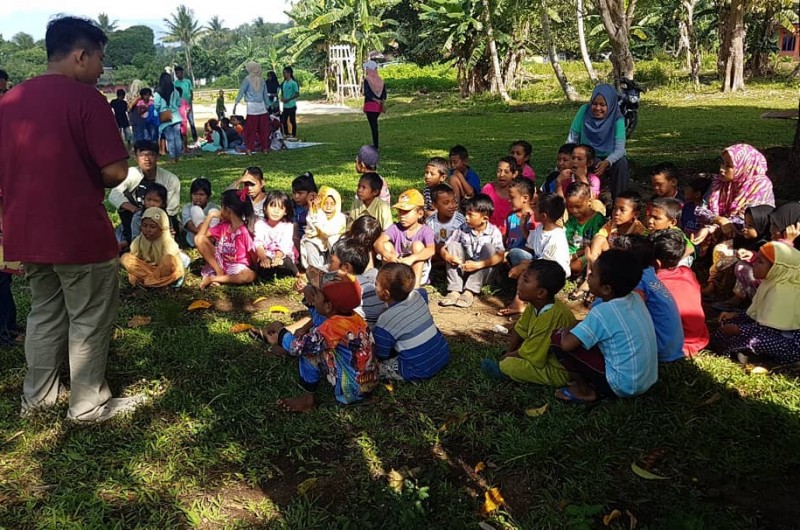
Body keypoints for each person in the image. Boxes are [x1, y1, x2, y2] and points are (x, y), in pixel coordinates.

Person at [0, 16, 142, 422]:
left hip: (26, 233)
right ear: (80, 55)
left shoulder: (7, 103)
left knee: (43, 313)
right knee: (88, 319)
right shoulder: (86, 100)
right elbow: (115, 171)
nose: (100, 70)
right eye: (99, 59)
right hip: (78, 232)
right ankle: (87, 404)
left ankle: (37, 399)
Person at [550, 249, 658, 403]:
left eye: (592, 274)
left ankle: (584, 391)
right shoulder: (635, 298)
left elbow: (566, 345)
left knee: (557, 338)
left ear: (606, 289)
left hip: (622, 386)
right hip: (647, 380)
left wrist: (569, 326)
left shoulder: (602, 312)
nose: (588, 276)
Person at [273, 271, 378, 411]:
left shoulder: (332, 327)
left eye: (316, 293)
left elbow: (296, 347)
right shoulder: (352, 316)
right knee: (315, 335)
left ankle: (307, 400)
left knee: (308, 351)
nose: (313, 294)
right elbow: (320, 316)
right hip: (370, 379)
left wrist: (280, 332)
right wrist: (308, 293)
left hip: (353, 390)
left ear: (328, 306)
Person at [481, 260, 575, 386]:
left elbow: (532, 354)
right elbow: (520, 329)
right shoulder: (534, 305)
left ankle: (503, 371)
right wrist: (509, 352)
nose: (519, 282)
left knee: (508, 365)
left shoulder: (554, 316)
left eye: (525, 280)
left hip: (559, 369)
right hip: (541, 355)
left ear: (541, 293)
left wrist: (508, 358)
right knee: (510, 358)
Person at [713, 242, 800, 365]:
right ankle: (748, 353)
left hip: (789, 341)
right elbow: (759, 313)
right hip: (768, 331)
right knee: (727, 325)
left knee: (757, 340)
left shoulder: (784, 292)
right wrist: (736, 315)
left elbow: (770, 328)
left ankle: (754, 356)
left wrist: (739, 330)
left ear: (777, 268)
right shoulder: (771, 282)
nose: (754, 264)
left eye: (760, 262)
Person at [611, 235, 684, 363]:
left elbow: (629, 313)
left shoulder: (637, 282)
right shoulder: (648, 274)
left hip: (659, 350)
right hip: (671, 346)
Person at [373, 263, 450, 381]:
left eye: (376, 284)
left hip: (418, 370)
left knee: (375, 367)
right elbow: (422, 291)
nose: (374, 287)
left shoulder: (385, 321)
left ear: (386, 294)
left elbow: (382, 353)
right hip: (443, 354)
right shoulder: (420, 295)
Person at [692, 144, 775, 246]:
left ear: (745, 167)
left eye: (729, 166)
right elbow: (701, 209)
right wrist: (719, 220)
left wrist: (713, 227)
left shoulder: (760, 185)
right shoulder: (719, 183)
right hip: (719, 237)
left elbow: (746, 220)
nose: (722, 169)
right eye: (722, 163)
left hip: (750, 243)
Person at [502, 193, 570, 315]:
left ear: (544, 216)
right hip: (540, 263)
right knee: (516, 254)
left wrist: (524, 265)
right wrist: (523, 225)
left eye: (536, 209)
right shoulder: (540, 229)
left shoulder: (556, 236)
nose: (533, 211)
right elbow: (531, 245)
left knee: (525, 265)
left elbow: (548, 264)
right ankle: (526, 286)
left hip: (555, 270)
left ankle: (519, 302)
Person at [650, 229, 709, 357]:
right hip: (699, 338)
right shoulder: (688, 273)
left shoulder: (655, 284)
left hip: (678, 344)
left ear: (656, 262)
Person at [108, 140, 181, 242]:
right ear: (136, 158)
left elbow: (172, 210)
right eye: (142, 155)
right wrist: (134, 209)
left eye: (151, 154)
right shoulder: (130, 173)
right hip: (136, 216)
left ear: (157, 157)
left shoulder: (171, 179)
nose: (147, 159)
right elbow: (114, 195)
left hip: (161, 218)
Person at [440, 194, 505, 308]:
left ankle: (470, 291)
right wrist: (448, 256)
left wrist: (478, 265)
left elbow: (500, 256)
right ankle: (454, 290)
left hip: (483, 273)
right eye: (466, 213)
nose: (466, 217)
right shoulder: (462, 228)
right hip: (464, 269)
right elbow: (444, 248)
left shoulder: (494, 232)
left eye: (471, 215)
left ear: (484, 219)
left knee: (489, 248)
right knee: (453, 245)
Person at [566, 84, 629, 202]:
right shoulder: (584, 111)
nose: (597, 108)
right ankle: (593, 200)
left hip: (611, 156)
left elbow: (620, 149)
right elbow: (572, 138)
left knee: (622, 163)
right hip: (589, 154)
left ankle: (619, 202)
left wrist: (607, 162)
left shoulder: (617, 118)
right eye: (594, 104)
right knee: (595, 163)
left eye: (602, 105)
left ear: (610, 105)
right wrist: (566, 158)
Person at [195, 189, 257, 290]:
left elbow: (253, 254)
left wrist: (255, 268)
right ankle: (219, 272)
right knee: (199, 239)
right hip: (220, 262)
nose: (220, 209)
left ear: (228, 210)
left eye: (222, 206)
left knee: (249, 276)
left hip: (238, 266)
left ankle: (214, 278)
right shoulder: (223, 226)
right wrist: (209, 217)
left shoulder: (244, 232)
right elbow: (200, 236)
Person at [375, 189, 436, 288]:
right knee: (386, 245)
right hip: (398, 267)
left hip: (417, 270)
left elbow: (431, 250)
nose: (402, 216)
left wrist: (412, 258)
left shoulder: (425, 231)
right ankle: (389, 282)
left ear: (420, 213)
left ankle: (415, 289)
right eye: (400, 211)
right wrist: (388, 255)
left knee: (418, 245)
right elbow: (378, 243)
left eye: (406, 212)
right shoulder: (395, 228)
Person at [120, 207, 185, 288]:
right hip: (145, 268)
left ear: (162, 228)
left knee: (168, 260)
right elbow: (135, 262)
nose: (148, 230)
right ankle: (153, 282)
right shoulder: (138, 241)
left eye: (153, 226)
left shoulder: (169, 243)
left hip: (163, 272)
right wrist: (134, 277)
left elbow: (178, 270)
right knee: (125, 257)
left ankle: (149, 282)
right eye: (144, 225)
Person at [329, 237, 386, 328]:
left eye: (331, 262)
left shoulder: (345, 290)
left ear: (345, 267)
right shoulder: (368, 282)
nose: (328, 267)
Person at [563, 182, 606, 280]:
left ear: (589, 202)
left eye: (578, 207)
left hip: (586, 254)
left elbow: (594, 245)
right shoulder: (572, 220)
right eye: (570, 207)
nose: (574, 210)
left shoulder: (597, 220)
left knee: (575, 266)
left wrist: (575, 255)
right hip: (568, 254)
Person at [254, 191, 298, 278]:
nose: (276, 211)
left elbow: (285, 245)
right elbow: (258, 243)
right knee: (263, 267)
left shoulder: (288, 226)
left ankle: (297, 273)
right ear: (265, 208)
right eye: (273, 206)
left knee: (286, 263)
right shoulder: (259, 224)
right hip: (266, 254)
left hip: (282, 255)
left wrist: (278, 257)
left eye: (281, 208)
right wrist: (263, 258)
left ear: (285, 211)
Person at [301, 186, 346, 269]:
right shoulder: (315, 212)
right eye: (325, 203)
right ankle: (316, 271)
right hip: (319, 248)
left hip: (331, 252)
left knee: (333, 240)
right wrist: (313, 207)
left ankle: (331, 270)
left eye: (332, 204)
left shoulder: (340, 218)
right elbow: (311, 231)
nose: (328, 207)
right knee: (309, 243)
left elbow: (327, 231)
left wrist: (319, 211)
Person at [115, 182, 168, 250]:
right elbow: (135, 240)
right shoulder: (138, 216)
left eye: (156, 201)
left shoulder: (164, 217)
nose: (151, 204)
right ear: (144, 200)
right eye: (148, 199)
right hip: (142, 248)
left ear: (163, 204)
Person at [233, 62, 271, 155]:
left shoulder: (247, 79)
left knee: (250, 129)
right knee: (263, 129)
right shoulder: (261, 80)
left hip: (252, 107)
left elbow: (242, 91)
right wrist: (268, 105)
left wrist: (236, 103)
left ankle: (249, 149)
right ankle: (265, 148)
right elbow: (265, 94)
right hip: (262, 107)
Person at [426, 184, 466, 262]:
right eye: (446, 203)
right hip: (437, 252)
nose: (452, 206)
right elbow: (429, 243)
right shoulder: (429, 221)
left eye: (453, 201)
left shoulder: (460, 221)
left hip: (455, 254)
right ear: (434, 205)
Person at [482, 156, 519, 231]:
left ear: (514, 174)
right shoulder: (488, 189)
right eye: (499, 171)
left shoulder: (518, 193)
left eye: (506, 172)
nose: (502, 175)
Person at [182, 178, 220, 248]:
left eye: (201, 194)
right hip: (196, 238)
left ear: (208, 196)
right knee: (195, 209)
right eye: (195, 194)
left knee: (213, 212)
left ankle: (210, 241)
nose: (198, 197)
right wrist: (206, 235)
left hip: (212, 237)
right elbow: (190, 226)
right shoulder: (187, 208)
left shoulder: (214, 207)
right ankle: (208, 241)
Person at [154, 72, 183, 162]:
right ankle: (178, 156)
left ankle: (172, 157)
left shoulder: (158, 92)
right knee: (177, 137)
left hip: (165, 117)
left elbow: (156, 105)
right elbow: (178, 104)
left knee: (170, 139)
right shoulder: (175, 90)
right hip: (176, 116)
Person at [504, 177, 537, 251]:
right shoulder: (510, 216)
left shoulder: (535, 219)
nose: (509, 200)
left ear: (525, 198)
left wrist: (523, 226)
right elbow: (504, 236)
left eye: (512, 197)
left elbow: (533, 244)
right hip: (508, 254)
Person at [362, 60, 387, 148]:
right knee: (375, 125)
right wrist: (381, 101)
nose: (366, 70)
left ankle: (376, 145)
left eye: (367, 68)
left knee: (373, 126)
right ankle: (376, 144)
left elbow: (366, 93)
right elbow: (384, 94)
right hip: (378, 107)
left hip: (370, 105)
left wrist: (375, 99)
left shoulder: (367, 79)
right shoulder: (380, 80)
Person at [291, 172, 318, 251]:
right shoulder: (293, 206)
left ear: (311, 193)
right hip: (296, 240)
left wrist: (311, 206)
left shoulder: (318, 206)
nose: (296, 196)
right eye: (294, 193)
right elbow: (294, 233)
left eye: (300, 193)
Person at [172, 66, 197, 142]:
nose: (177, 75)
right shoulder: (175, 83)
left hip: (188, 104)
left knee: (191, 121)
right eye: (176, 73)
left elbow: (191, 92)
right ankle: (181, 140)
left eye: (178, 73)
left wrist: (190, 103)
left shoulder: (187, 81)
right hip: (179, 106)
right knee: (180, 123)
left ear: (182, 73)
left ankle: (195, 138)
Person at [280, 66, 300, 139]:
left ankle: (293, 134)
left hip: (292, 105)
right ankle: (287, 134)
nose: (284, 74)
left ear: (289, 73)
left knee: (292, 120)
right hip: (285, 106)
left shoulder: (293, 83)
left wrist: (289, 99)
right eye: (283, 73)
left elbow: (297, 94)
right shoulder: (284, 83)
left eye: (285, 73)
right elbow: (282, 92)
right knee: (284, 120)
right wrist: (282, 98)